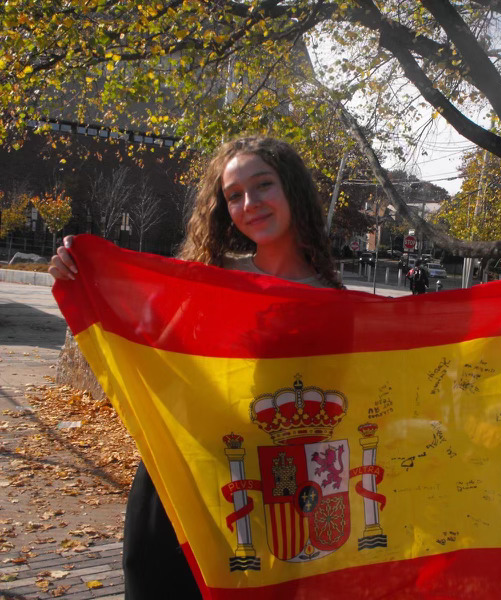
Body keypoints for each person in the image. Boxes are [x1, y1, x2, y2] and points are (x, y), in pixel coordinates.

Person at [49, 135, 342, 599]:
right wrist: (82, 273)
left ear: (293, 190)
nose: (250, 203)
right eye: (234, 196)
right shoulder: (210, 281)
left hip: (277, 495)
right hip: (182, 484)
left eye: (262, 185)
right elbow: (144, 345)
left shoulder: (337, 303)